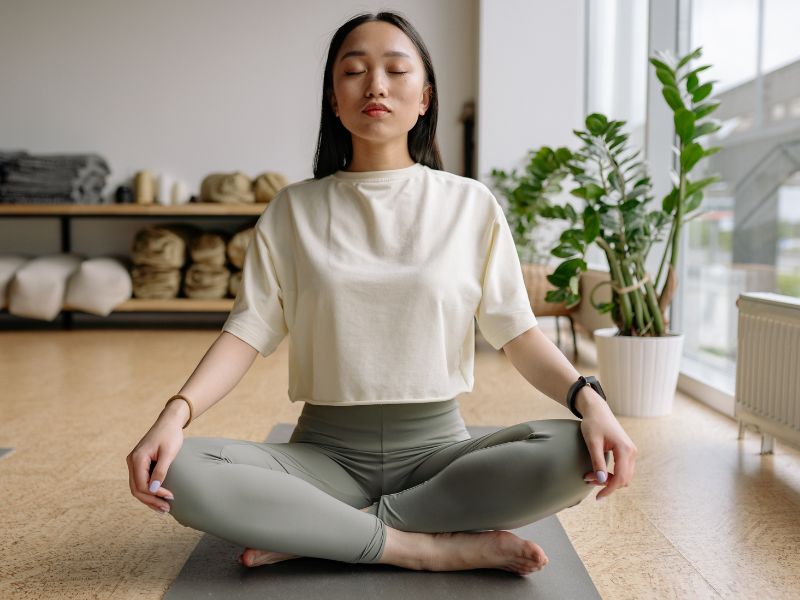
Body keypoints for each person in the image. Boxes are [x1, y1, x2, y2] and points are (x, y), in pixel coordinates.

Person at [126, 11, 638, 577]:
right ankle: (423, 546)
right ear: (333, 99)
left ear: (424, 98)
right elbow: (245, 333)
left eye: (396, 70)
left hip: (441, 453)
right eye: (355, 71)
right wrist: (173, 415)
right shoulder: (293, 210)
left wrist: (592, 401)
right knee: (178, 468)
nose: (376, 85)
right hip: (321, 457)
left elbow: (517, 332)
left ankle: (326, 532)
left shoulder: (470, 205)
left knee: (574, 452)